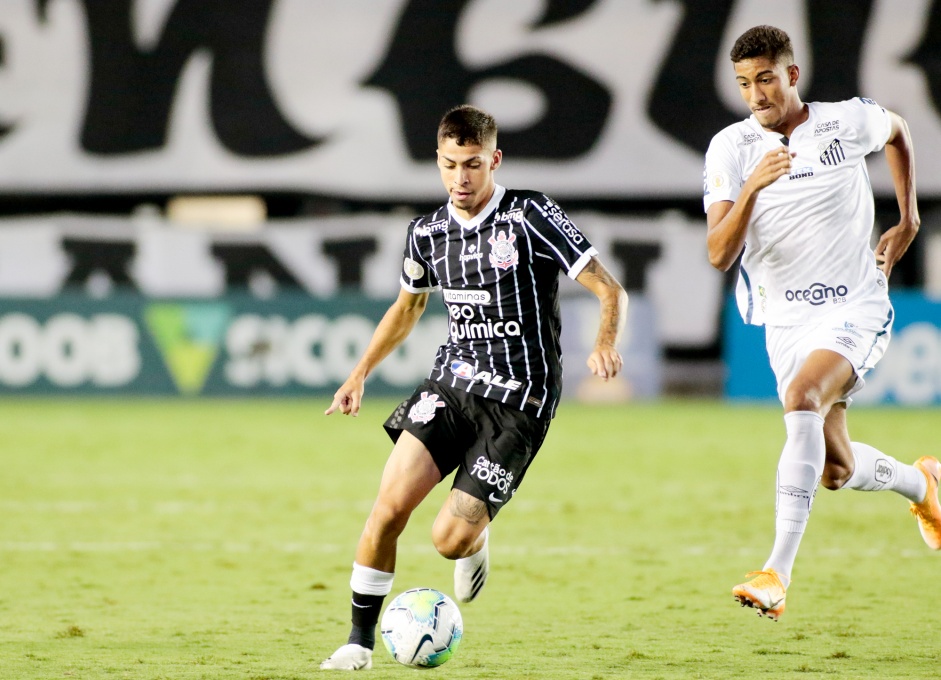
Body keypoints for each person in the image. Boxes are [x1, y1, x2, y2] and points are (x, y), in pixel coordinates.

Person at [319, 105, 628, 669]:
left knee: (447, 541)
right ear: (437, 162)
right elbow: (408, 306)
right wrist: (358, 372)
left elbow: (610, 289)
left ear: (495, 160)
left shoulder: (531, 214)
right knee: (388, 508)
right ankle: (358, 643)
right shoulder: (427, 233)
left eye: (473, 165)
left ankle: (476, 536)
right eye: (449, 165)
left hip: (520, 399)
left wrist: (605, 341)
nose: (460, 179)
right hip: (452, 385)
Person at [703, 24, 940, 622]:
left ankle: (776, 573)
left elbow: (898, 130)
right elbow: (718, 252)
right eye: (743, 84)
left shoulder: (843, 122)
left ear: (791, 75)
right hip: (785, 321)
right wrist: (754, 186)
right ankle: (925, 486)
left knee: (802, 397)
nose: (754, 94)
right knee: (834, 469)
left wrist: (908, 217)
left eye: (764, 79)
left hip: (855, 305)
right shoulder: (730, 149)